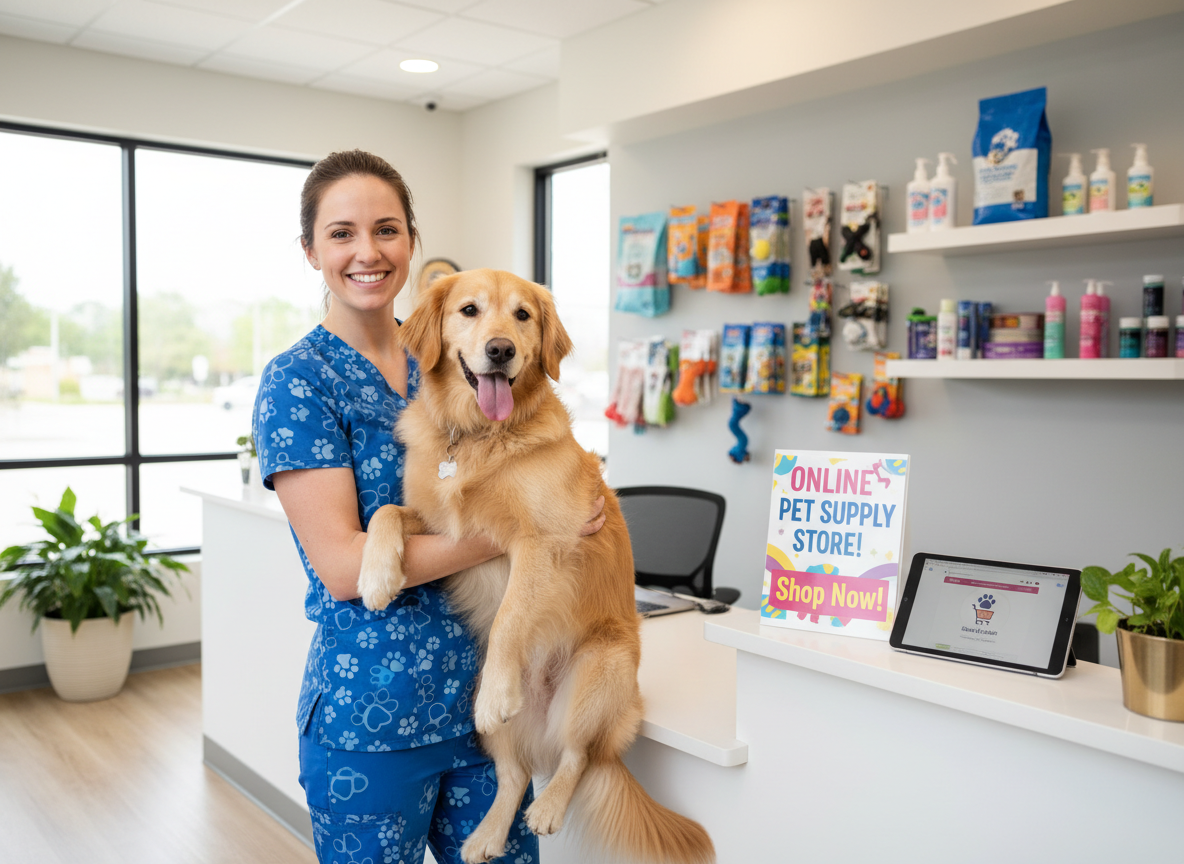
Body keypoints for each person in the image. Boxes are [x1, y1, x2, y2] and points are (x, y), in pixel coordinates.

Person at [253, 150, 603, 864]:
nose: (368, 252)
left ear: (410, 240)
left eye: (386, 229)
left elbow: (524, 463)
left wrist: (559, 503)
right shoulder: (298, 382)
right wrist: (521, 532)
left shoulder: (454, 350)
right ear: (311, 250)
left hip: (487, 706)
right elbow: (347, 571)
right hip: (375, 716)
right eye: (342, 233)